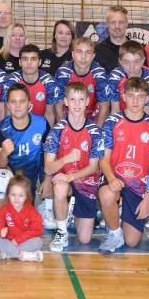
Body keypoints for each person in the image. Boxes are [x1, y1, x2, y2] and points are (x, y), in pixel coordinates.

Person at [97, 77, 149, 254]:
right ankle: (114, 233)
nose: (135, 101)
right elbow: (103, 159)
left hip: (139, 184)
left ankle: (123, 210)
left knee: (132, 242)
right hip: (116, 177)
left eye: (140, 96)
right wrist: (111, 178)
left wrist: (148, 199)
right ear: (123, 97)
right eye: (131, 95)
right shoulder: (112, 122)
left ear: (147, 98)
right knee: (107, 194)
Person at [43, 82, 104, 252]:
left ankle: (71, 211)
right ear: (66, 102)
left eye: (81, 99)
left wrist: (71, 176)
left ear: (87, 102)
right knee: (60, 187)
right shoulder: (57, 131)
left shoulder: (94, 131)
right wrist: (66, 159)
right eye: (72, 99)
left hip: (86, 182)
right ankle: (62, 232)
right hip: (66, 181)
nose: (77, 104)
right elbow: (48, 169)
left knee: (84, 239)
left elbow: (93, 167)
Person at [0, 84, 50, 208]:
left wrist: (48, 179)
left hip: (35, 176)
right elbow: (0, 164)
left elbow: (50, 157)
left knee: (55, 177)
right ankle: (0, 215)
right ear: (7, 105)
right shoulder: (0, 128)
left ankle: (45, 207)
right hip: (11, 177)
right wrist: (4, 152)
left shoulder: (42, 124)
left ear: (29, 104)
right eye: (13, 102)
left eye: (22, 101)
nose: (17, 106)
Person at [54, 37, 110, 126]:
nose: (83, 57)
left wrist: (97, 131)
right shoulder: (63, 72)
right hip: (68, 119)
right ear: (73, 54)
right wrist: (64, 129)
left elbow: (104, 107)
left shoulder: (100, 74)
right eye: (79, 51)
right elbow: (58, 106)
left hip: (92, 120)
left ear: (93, 56)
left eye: (88, 52)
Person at [0, 172, 44, 262]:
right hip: (8, 241)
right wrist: (0, 230)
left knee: (38, 241)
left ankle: (8, 253)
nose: (16, 199)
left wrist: (18, 240)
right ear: (8, 195)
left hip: (24, 242)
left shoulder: (32, 211)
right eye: (13, 195)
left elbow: (37, 230)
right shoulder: (4, 210)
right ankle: (22, 255)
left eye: (21, 195)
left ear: (26, 196)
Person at [2, 44, 59, 127]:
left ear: (39, 62)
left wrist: (48, 134)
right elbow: (8, 113)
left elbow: (49, 113)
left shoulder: (49, 82)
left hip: (39, 127)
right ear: (20, 62)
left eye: (33, 59)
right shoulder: (11, 81)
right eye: (25, 59)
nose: (29, 63)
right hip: (17, 126)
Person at [107, 40, 149, 116]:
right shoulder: (115, 76)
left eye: (136, 62)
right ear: (120, 62)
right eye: (126, 62)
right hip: (122, 116)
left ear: (143, 61)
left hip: (144, 117)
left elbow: (147, 112)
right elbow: (115, 110)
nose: (132, 67)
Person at [95, 5, 128, 71]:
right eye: (113, 22)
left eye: (121, 22)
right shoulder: (97, 51)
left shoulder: (137, 49)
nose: (117, 26)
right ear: (107, 24)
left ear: (127, 24)